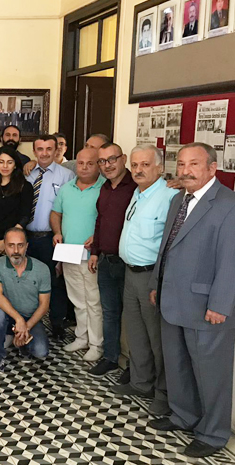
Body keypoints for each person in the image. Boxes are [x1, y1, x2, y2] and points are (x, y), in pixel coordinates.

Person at [148, 143, 235, 458]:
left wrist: (220, 304)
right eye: (182, 164)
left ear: (212, 168)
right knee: (177, 364)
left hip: (206, 305)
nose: (185, 171)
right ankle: (183, 415)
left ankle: (213, 434)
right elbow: (167, 247)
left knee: (211, 373)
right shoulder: (178, 199)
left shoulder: (228, 204)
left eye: (194, 164)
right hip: (171, 298)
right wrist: (157, 283)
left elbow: (231, 260)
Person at [116, 144, 177, 417]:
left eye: (145, 164)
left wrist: (158, 281)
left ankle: (163, 394)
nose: (138, 170)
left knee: (158, 339)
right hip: (130, 273)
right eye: (135, 165)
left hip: (151, 276)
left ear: (160, 168)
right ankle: (141, 382)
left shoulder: (170, 197)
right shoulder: (137, 193)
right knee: (136, 333)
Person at [50, 148, 105, 362]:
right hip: (69, 253)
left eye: (90, 163)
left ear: (98, 165)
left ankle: (96, 344)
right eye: (80, 163)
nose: (84, 167)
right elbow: (56, 213)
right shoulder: (67, 188)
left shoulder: (105, 188)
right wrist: (57, 232)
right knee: (77, 300)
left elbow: (109, 220)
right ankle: (82, 337)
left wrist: (97, 237)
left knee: (93, 301)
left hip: (92, 255)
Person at [87, 143, 136, 377]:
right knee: (109, 311)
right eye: (102, 161)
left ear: (123, 158)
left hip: (129, 263)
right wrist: (95, 252)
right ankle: (111, 357)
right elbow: (100, 221)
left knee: (133, 317)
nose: (107, 165)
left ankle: (135, 366)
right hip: (106, 260)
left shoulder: (136, 187)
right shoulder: (105, 188)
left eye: (112, 159)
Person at [25, 134, 74, 338]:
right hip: (26, 237)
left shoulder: (67, 176)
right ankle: (28, 321)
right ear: (34, 151)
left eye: (48, 149)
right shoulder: (27, 174)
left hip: (52, 237)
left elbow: (69, 210)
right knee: (28, 280)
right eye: (40, 149)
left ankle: (57, 323)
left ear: (56, 151)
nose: (44, 153)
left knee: (55, 280)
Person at [0, 228, 50, 373]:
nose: (16, 250)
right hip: (8, 316)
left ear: (26, 246)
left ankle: (23, 344)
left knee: (41, 352)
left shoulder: (42, 269)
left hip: (31, 318)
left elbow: (44, 305)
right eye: (11, 245)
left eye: (20, 245)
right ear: (4, 246)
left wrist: (25, 327)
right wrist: (18, 320)